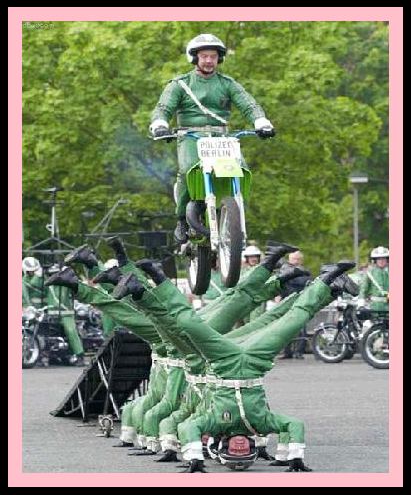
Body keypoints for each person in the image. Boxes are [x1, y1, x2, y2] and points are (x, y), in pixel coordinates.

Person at [112, 257, 357, 472]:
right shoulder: (261, 424)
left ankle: (147, 285)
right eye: (244, 452)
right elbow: (293, 424)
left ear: (222, 445)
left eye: (234, 451)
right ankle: (327, 283)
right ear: (251, 446)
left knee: (186, 323)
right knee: (291, 320)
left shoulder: (214, 422)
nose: (239, 447)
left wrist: (194, 459)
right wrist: (292, 457)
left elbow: (187, 427)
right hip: (255, 361)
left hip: (221, 361)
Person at [149, 34, 275, 243]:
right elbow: (163, 107)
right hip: (190, 136)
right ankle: (181, 219)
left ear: (219, 59)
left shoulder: (228, 84)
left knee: (241, 169)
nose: (209, 60)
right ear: (195, 58)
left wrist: (261, 122)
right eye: (204, 56)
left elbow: (248, 104)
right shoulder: (180, 84)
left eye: (213, 56)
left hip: (221, 136)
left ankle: (235, 218)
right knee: (188, 170)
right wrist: (160, 124)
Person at [45, 264, 85, 366]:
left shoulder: (66, 284)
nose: (53, 276)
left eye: (55, 274)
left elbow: (77, 289)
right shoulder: (48, 284)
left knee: (71, 331)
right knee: (45, 334)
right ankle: (51, 356)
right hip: (50, 314)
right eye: (51, 274)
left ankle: (80, 355)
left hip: (66, 314)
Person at [277, 251, 312, 359]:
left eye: (298, 259)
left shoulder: (305, 272)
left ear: (301, 260)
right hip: (286, 301)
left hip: (300, 302)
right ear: (289, 259)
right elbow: (279, 283)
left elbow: (305, 284)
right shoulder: (284, 270)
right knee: (285, 327)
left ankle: (299, 352)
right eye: (293, 259)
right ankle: (287, 352)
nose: (295, 261)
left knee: (301, 328)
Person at [358, 246, 389, 312]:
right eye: (379, 259)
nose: (381, 261)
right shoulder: (369, 273)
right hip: (373, 307)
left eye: (384, 258)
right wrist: (361, 305)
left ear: (387, 259)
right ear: (375, 260)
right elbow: (363, 289)